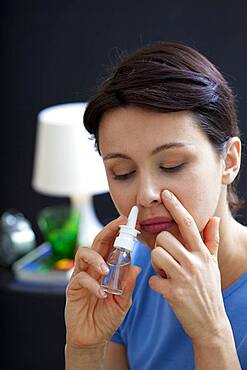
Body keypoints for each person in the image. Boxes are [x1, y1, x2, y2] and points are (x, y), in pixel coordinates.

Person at [64, 41, 247, 370]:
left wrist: (212, 335)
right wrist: (84, 348)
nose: (145, 193)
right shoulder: (125, 277)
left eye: (172, 165)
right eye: (123, 172)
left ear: (229, 161)